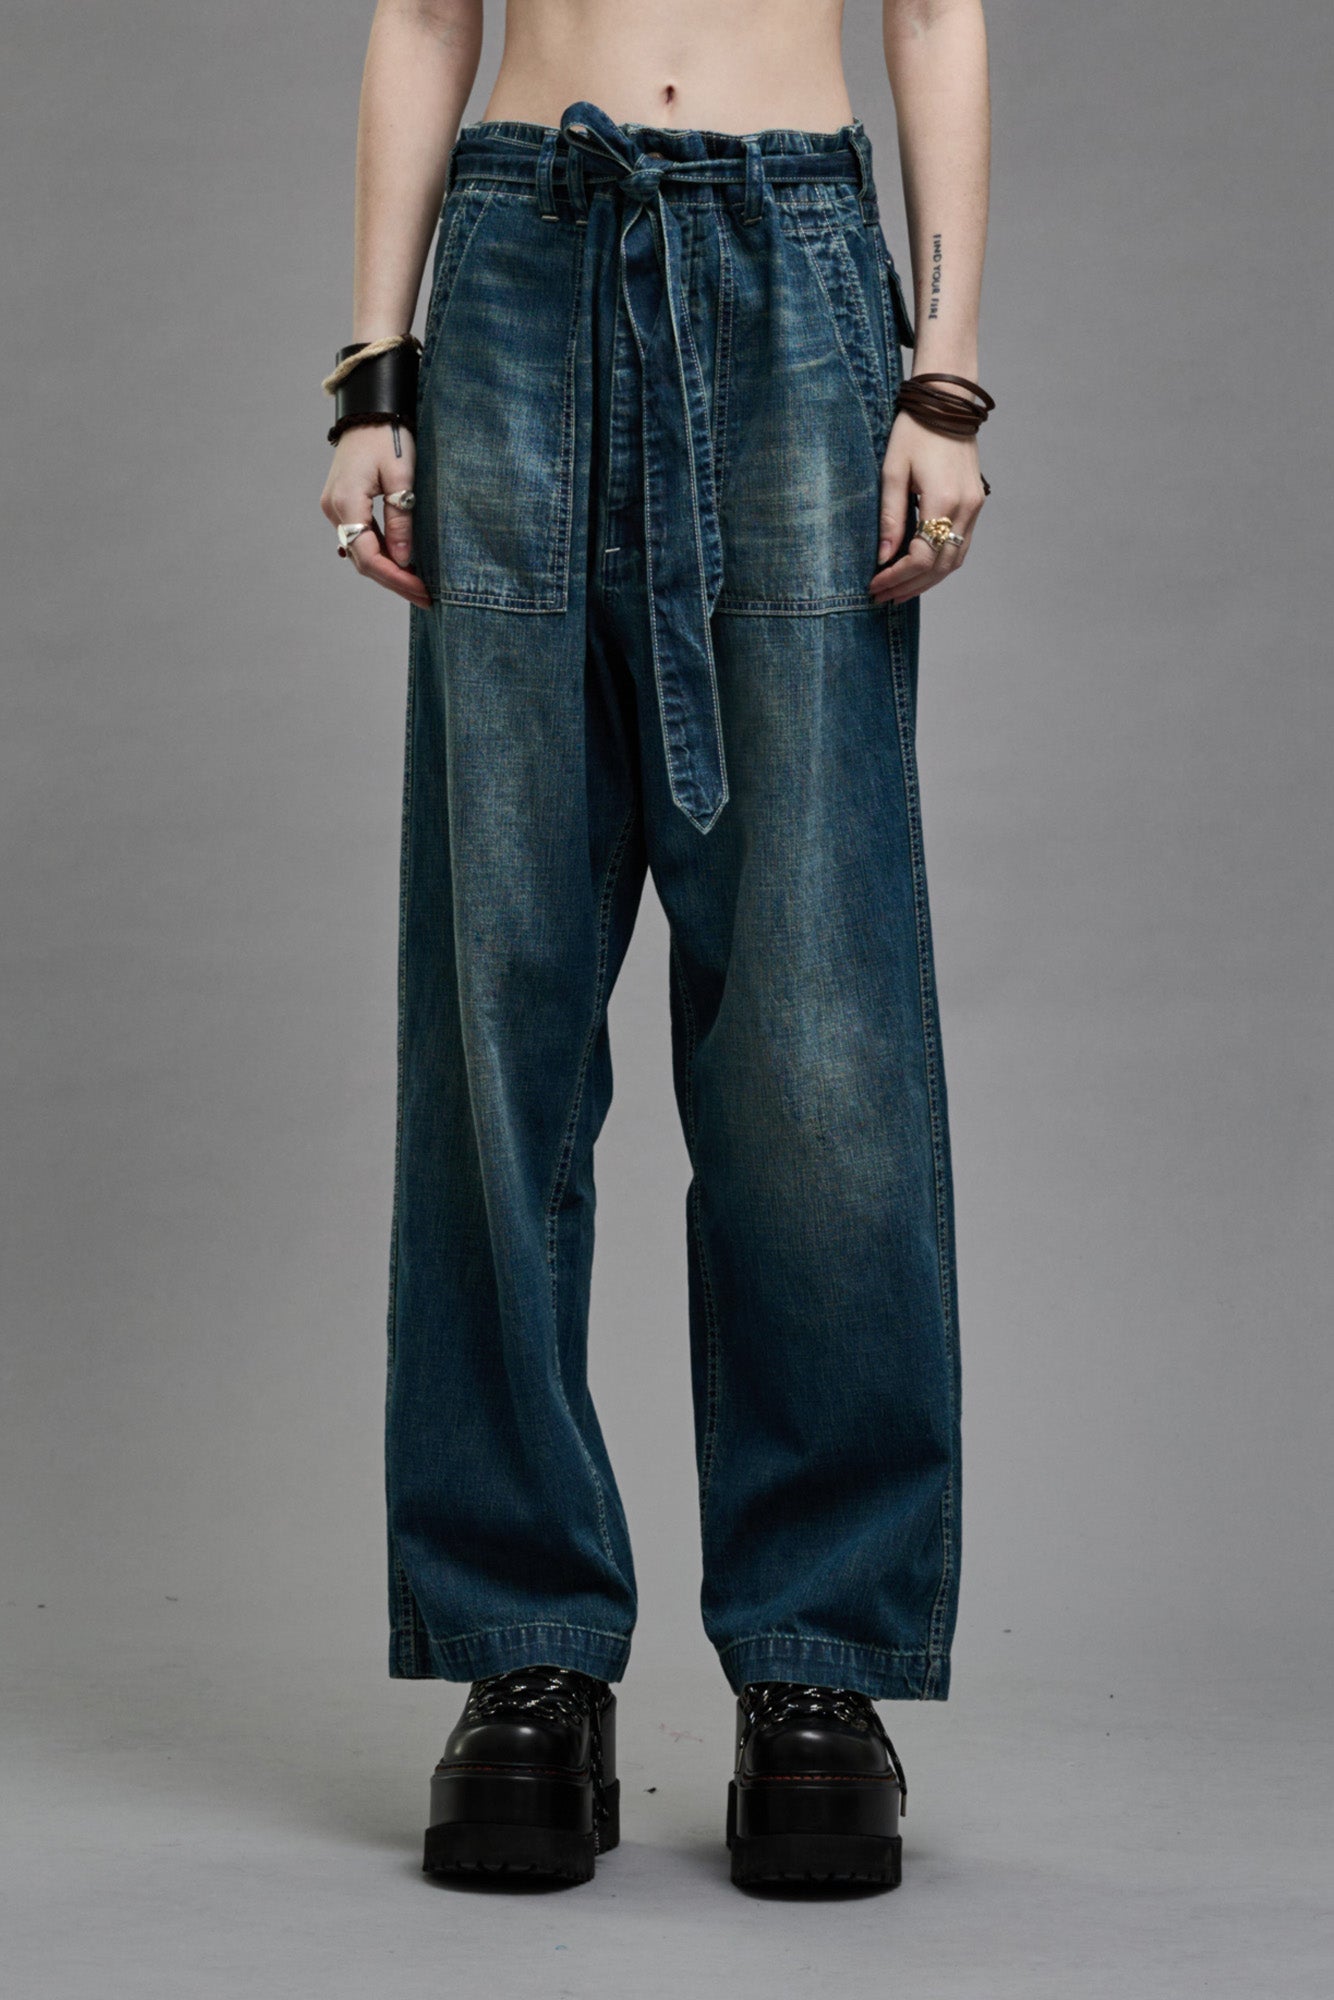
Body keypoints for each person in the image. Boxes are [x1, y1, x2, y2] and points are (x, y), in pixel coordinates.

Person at [319, 0, 990, 1890]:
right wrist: (372, 372)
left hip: (790, 279)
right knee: (498, 1013)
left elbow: (935, 7)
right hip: (520, 270)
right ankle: (522, 1648)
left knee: (815, 1032)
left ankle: (817, 1660)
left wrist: (942, 379)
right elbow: (424, 11)